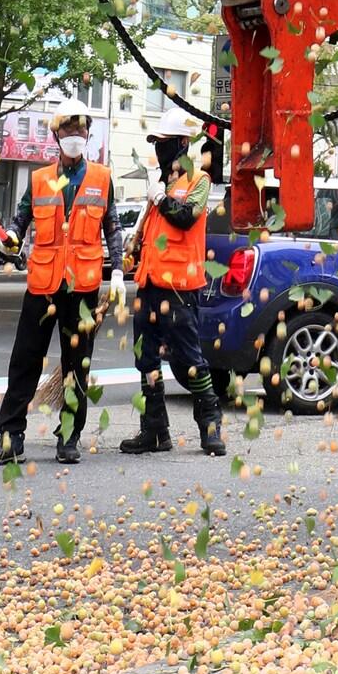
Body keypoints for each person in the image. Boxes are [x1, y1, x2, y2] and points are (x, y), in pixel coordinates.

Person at [0, 110, 124, 467]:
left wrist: (117, 270)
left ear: (87, 135)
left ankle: (69, 434)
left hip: (83, 286)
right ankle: (11, 438)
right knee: (24, 359)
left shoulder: (102, 178)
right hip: (43, 283)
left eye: (81, 129)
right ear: (57, 137)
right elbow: (22, 217)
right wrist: (11, 236)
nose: (76, 135)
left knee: (77, 364)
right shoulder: (40, 179)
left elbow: (113, 226)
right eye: (69, 130)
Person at [120, 106, 225, 458]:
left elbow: (185, 218)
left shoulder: (199, 180)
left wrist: (160, 197)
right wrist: (132, 250)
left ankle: (210, 427)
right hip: (149, 284)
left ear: (182, 142)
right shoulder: (159, 183)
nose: (159, 148)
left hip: (180, 287)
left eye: (164, 142)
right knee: (146, 358)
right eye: (156, 142)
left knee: (190, 359)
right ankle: (154, 430)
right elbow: (153, 232)